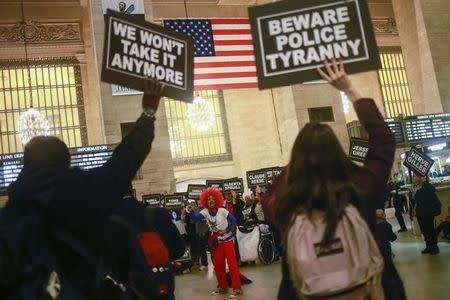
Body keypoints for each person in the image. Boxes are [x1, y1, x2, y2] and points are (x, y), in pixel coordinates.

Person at [0, 78, 164, 298]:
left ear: (26, 164)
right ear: (64, 162)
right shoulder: (83, 190)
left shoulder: (9, 215)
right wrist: (149, 112)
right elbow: (126, 158)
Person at [262, 59, 405, 300]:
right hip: (370, 291)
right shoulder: (363, 189)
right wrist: (350, 90)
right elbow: (384, 141)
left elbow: (267, 194)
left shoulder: (284, 205)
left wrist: (302, 160)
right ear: (338, 154)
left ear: (297, 161)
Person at [186, 187, 243, 299]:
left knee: (232, 265)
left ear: (216, 200)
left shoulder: (222, 210)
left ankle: (237, 288)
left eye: (213, 199)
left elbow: (234, 221)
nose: (211, 201)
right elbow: (194, 219)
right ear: (206, 202)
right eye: (208, 199)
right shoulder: (205, 211)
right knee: (218, 266)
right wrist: (191, 211)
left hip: (227, 240)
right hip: (216, 242)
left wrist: (226, 230)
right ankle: (222, 287)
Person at [411, 172, 442, 255]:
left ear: (420, 177)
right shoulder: (414, 187)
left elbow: (431, 191)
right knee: (424, 230)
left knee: (430, 230)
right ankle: (428, 246)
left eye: (414, 176)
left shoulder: (427, 186)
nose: (412, 178)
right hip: (419, 212)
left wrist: (425, 182)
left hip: (427, 212)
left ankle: (434, 247)